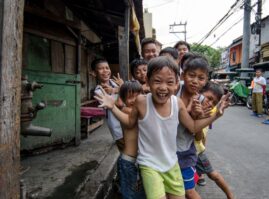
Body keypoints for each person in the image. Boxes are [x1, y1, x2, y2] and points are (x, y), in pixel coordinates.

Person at [95, 56, 230, 199]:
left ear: (177, 83)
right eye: (157, 81)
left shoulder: (177, 103)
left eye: (170, 82)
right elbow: (129, 123)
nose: (163, 87)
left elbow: (193, 127)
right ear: (147, 81)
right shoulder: (141, 101)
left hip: (172, 164)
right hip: (149, 164)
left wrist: (217, 115)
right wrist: (112, 107)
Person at [176, 54, 211, 199]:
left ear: (206, 81)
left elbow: (196, 135)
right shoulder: (173, 90)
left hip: (185, 151)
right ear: (183, 75)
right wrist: (188, 112)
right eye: (192, 75)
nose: (195, 81)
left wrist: (197, 117)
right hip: (165, 150)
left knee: (189, 191)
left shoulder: (203, 101)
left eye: (201, 78)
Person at [193, 82, 234, 199]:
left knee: (213, 175)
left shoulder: (207, 112)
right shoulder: (190, 106)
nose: (210, 103)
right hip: (187, 153)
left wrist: (218, 107)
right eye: (209, 98)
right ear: (199, 93)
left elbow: (199, 137)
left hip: (197, 151)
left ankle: (230, 196)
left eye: (214, 102)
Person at [117, 80, 146, 199]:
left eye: (137, 96)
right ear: (123, 100)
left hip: (138, 161)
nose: (134, 100)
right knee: (131, 194)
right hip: (129, 161)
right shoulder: (127, 111)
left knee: (139, 192)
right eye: (130, 97)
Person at [91, 58, 124, 151]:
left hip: (127, 120)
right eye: (101, 68)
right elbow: (119, 104)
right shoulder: (98, 92)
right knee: (125, 150)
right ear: (94, 73)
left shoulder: (115, 82)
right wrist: (121, 88)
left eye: (107, 68)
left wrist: (119, 87)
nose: (105, 71)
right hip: (116, 124)